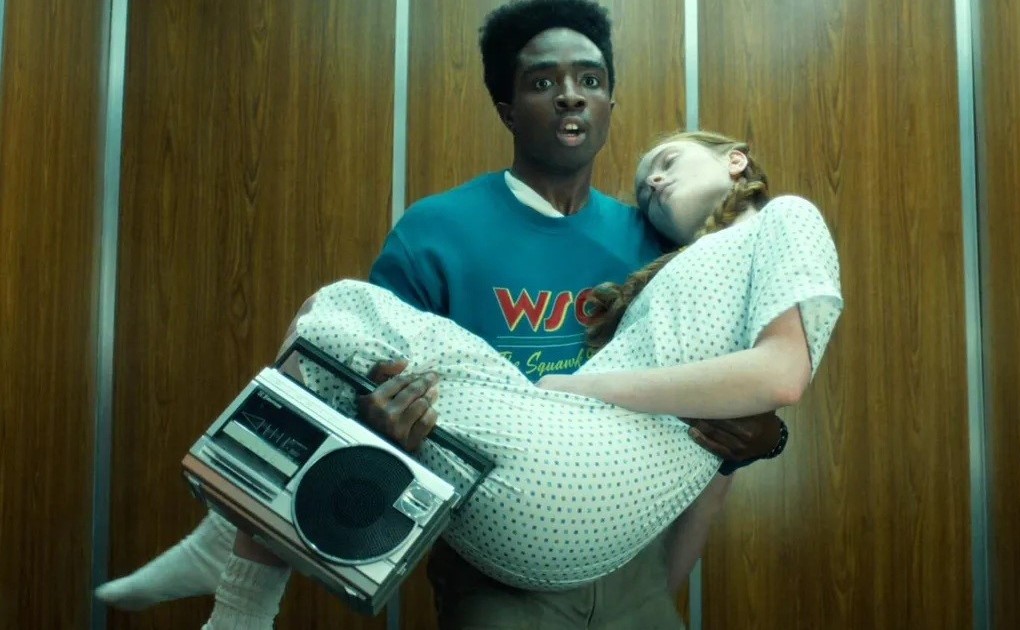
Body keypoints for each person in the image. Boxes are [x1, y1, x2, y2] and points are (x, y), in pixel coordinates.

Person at [96, 1, 786, 627]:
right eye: (542, 81)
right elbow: (346, 387)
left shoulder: (658, 243)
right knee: (327, 325)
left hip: (628, 558)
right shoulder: (435, 232)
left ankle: (225, 542)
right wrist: (381, 422)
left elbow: (727, 376)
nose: (571, 94)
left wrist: (764, 435)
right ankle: (235, 546)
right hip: (493, 568)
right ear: (507, 109)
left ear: (609, 102)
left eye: (590, 79)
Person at [200, 128, 842, 629]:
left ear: (736, 161)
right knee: (333, 333)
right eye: (644, 185)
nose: (651, 183)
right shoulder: (677, 266)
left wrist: (577, 389)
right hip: (543, 504)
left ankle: (236, 572)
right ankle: (236, 537)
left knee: (336, 311)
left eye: (668, 162)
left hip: (589, 490)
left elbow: (783, 374)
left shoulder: (785, 216)